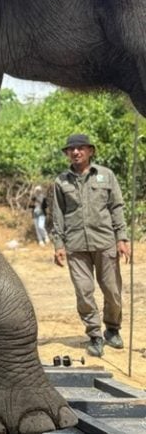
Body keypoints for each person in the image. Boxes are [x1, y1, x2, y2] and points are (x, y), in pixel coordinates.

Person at [51, 133, 131, 357]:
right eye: (71, 149)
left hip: (105, 242)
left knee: (112, 291)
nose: (76, 152)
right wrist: (58, 244)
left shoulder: (106, 176)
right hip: (76, 246)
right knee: (84, 292)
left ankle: (112, 329)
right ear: (67, 153)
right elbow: (58, 215)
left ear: (90, 151)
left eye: (81, 148)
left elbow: (116, 207)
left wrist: (122, 238)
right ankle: (95, 335)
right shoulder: (61, 181)